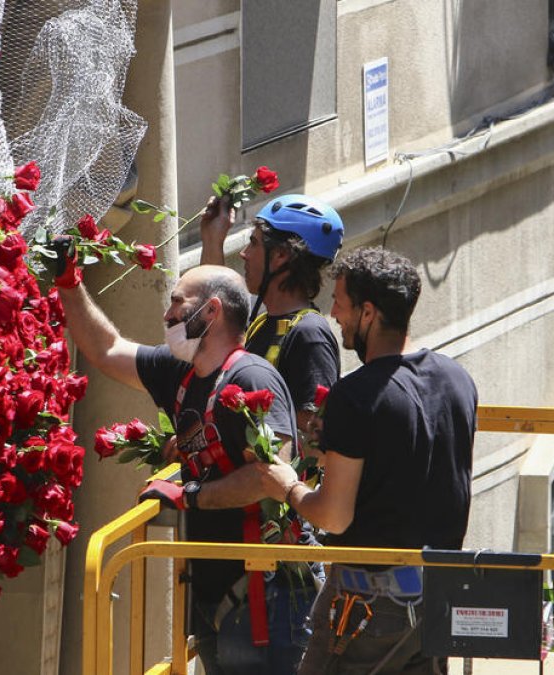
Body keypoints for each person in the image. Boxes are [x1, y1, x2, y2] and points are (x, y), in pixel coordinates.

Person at [52, 262, 300, 674]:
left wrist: (191, 496)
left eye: (176, 303)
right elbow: (107, 350)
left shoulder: (253, 377)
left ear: (210, 312)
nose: (167, 315)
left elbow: (272, 477)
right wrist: (68, 281)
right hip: (209, 591)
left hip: (261, 596)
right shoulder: (180, 372)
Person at [252, 246, 479, 675]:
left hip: (369, 608)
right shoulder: (457, 379)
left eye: (340, 302)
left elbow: (334, 517)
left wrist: (287, 485)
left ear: (368, 312)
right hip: (439, 599)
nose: (334, 313)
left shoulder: (356, 397)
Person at [200, 193, 343, 455]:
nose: (244, 254)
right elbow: (214, 319)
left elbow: (314, 441)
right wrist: (212, 239)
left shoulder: (309, 334)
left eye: (253, 243)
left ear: (280, 256)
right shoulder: (263, 321)